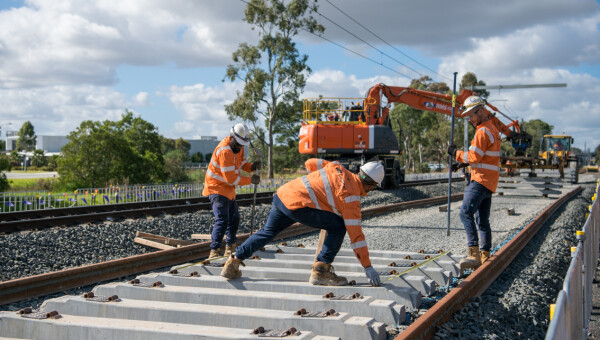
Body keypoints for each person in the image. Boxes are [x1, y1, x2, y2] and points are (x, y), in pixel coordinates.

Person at [220, 159, 384, 287]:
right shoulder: (351, 198)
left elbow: (310, 163)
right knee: (339, 226)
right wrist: (367, 267)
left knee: (266, 232)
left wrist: (313, 182)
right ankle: (321, 271)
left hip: (283, 195)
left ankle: (233, 262)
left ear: (361, 171)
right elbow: (356, 237)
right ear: (372, 185)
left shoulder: (337, 166)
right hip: (299, 205)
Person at [448, 95, 501, 274]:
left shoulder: (482, 132)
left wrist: (456, 153)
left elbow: (474, 156)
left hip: (479, 181)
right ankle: (486, 254)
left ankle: (474, 254)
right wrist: (464, 164)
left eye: (471, 115)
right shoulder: (492, 129)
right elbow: (483, 157)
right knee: (482, 220)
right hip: (489, 182)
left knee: (465, 213)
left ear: (481, 111)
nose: (470, 119)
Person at [203, 123, 261, 259]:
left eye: (242, 145)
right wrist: (250, 180)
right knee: (223, 219)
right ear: (231, 137)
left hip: (228, 189)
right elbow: (230, 179)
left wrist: (251, 167)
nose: (240, 147)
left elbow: (241, 164)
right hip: (216, 187)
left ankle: (230, 247)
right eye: (238, 144)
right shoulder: (225, 151)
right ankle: (215, 250)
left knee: (234, 219)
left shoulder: (238, 148)